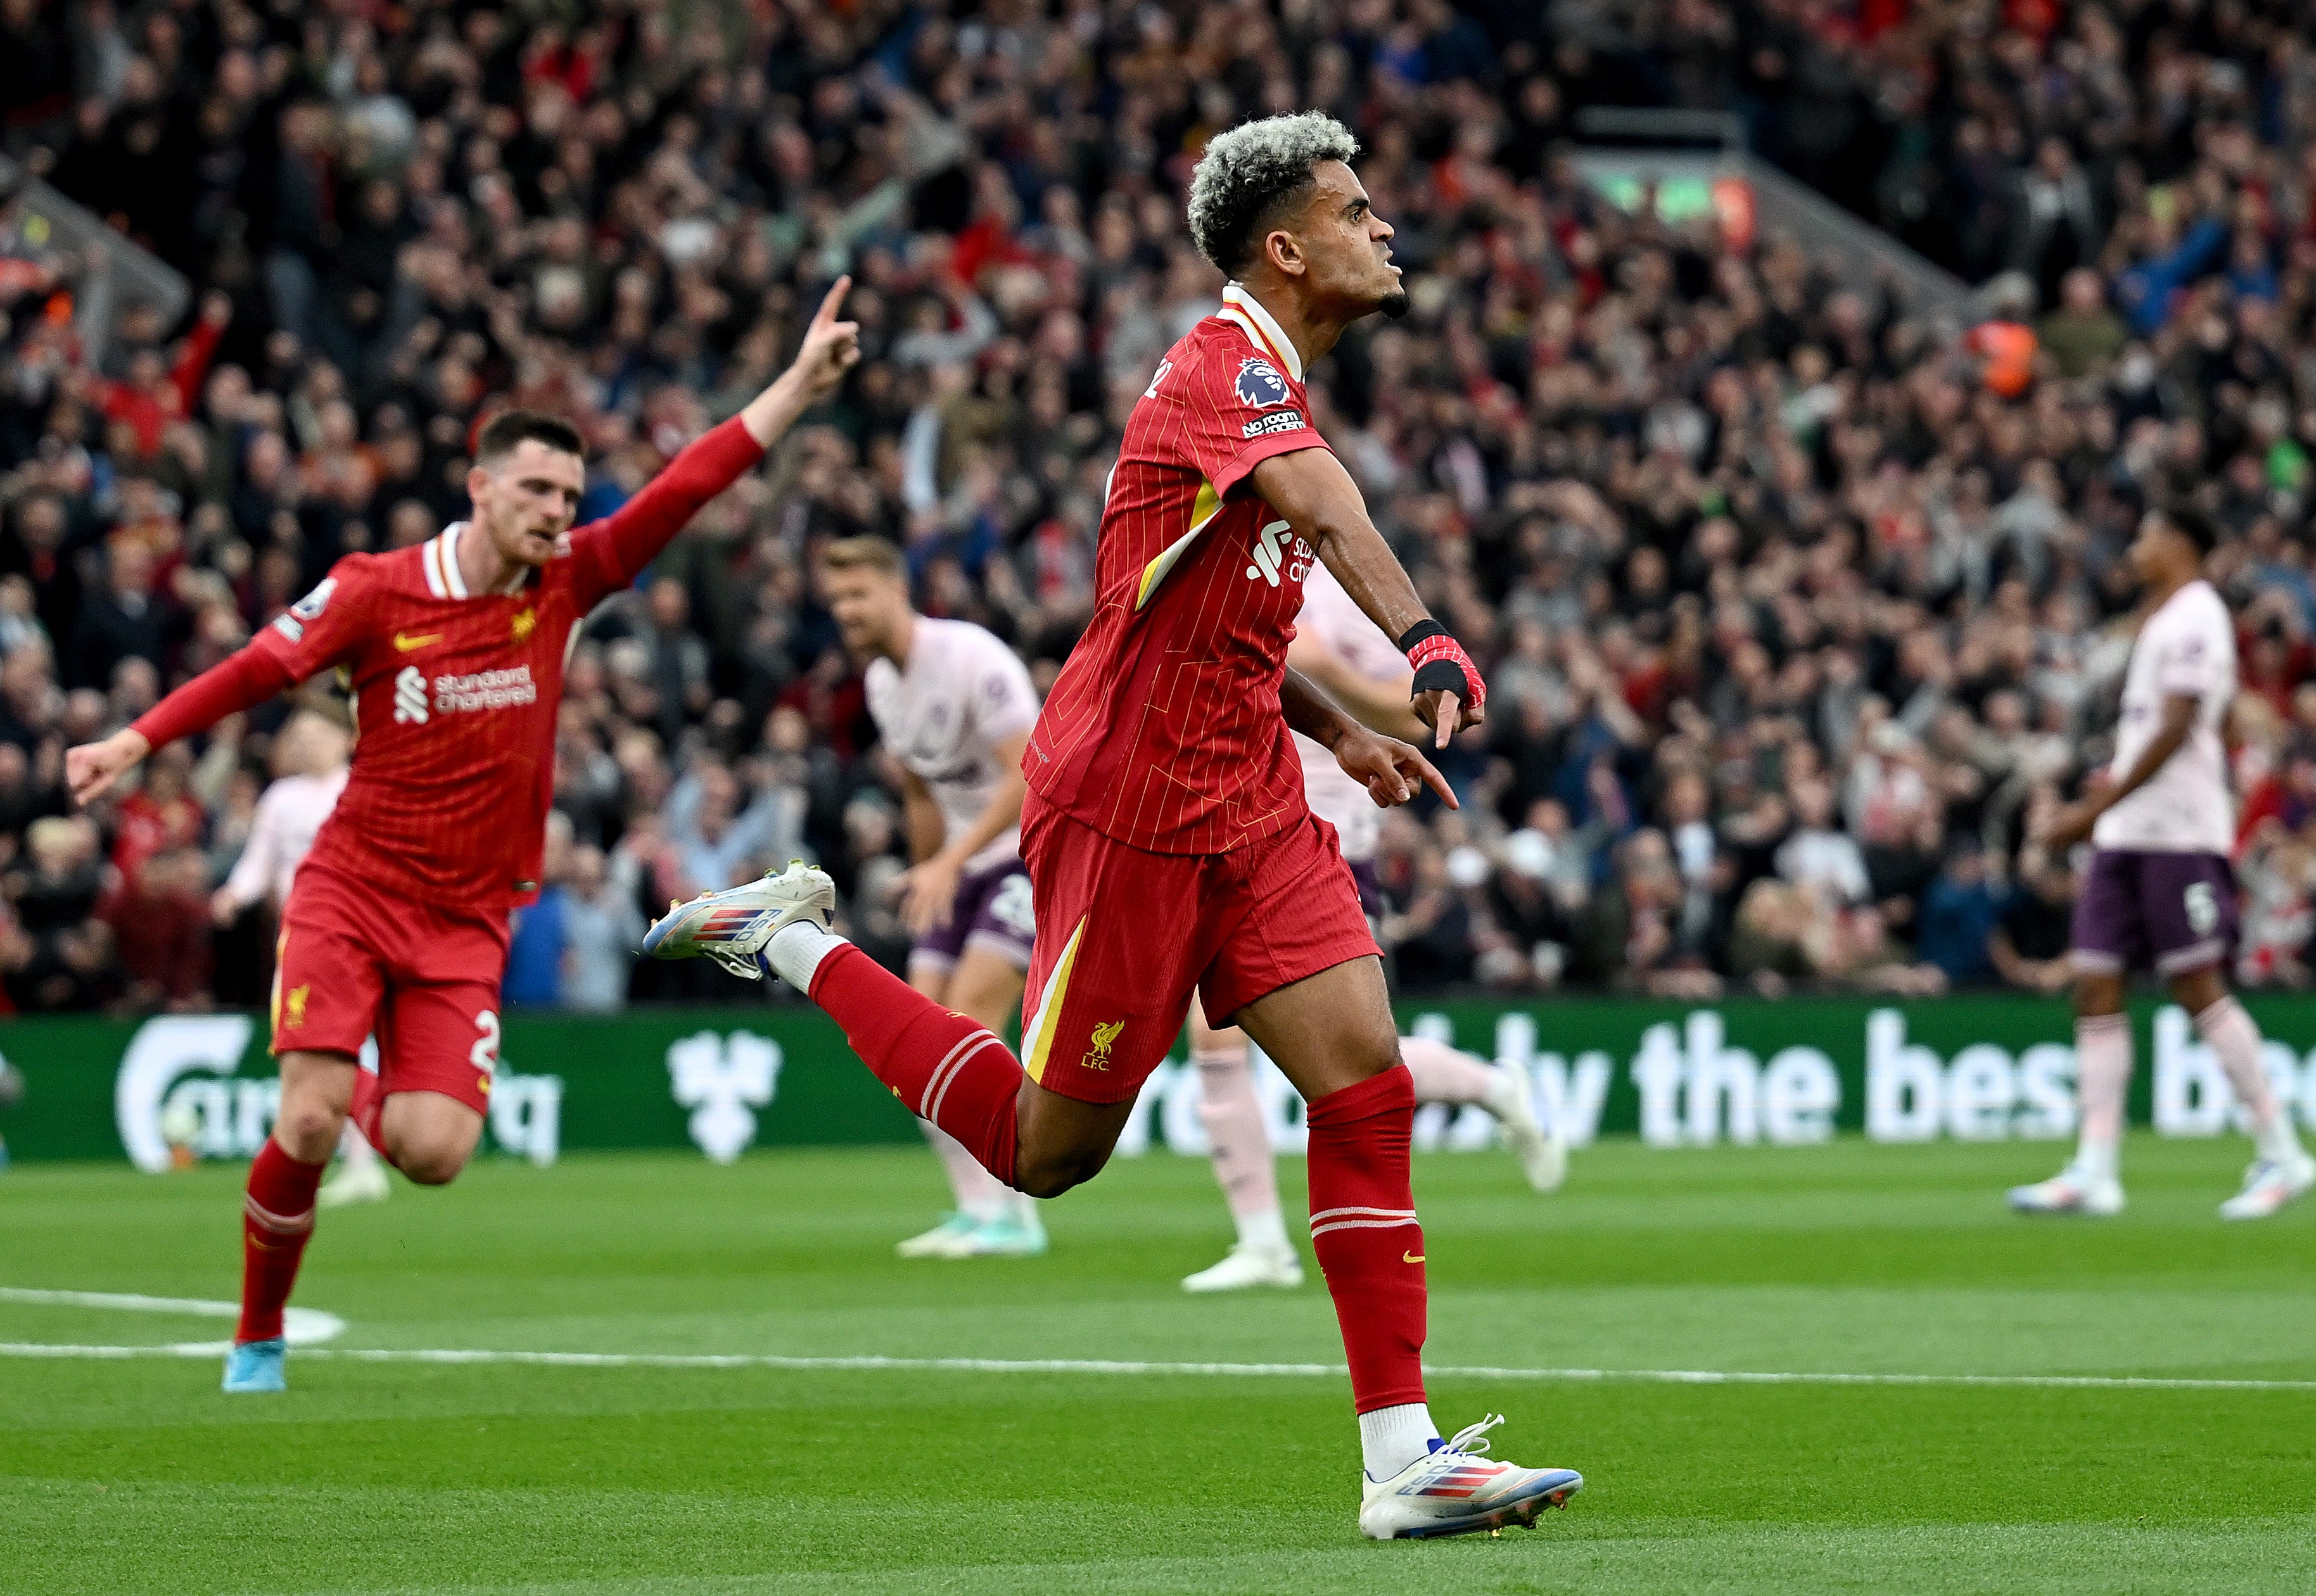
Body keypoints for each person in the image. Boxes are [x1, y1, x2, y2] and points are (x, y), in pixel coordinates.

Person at [645, 114, 1581, 1540]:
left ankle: (1403, 1460)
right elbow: (1321, 511)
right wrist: (1425, 640)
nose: (1384, 229)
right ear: (1286, 248)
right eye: (1356, 210)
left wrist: (1347, 734)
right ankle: (788, 942)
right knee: (1045, 1155)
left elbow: (1230, 621)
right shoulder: (1222, 371)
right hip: (1128, 813)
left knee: (1366, 1086)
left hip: (1251, 803)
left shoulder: (1263, 388)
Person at [66, 281, 862, 1393]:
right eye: (535, 488)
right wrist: (135, 741)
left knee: (432, 1156)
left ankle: (388, 1060)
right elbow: (259, 665)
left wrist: (794, 387)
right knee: (308, 1122)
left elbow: (687, 487)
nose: (555, 508)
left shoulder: (568, 582)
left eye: (569, 492)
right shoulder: (377, 593)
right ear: (480, 488)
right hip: (352, 887)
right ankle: (257, 1334)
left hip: (466, 918)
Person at [1181, 561, 1563, 1295]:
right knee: (1217, 1035)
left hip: (1328, 833)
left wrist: (1325, 684)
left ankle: (1488, 1087)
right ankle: (1260, 1240)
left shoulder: (1345, 598)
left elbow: (1416, 713)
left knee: (1346, 1050)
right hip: (1235, 825)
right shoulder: (1237, 578)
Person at [2010, 505, 2315, 1220]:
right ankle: (2093, 1168)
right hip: (2125, 833)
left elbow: (2179, 727)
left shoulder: (2197, 616)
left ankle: (2281, 1151)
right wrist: (2100, 810)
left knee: (2196, 988)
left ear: (2182, 543)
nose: (2137, 547)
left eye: (2148, 535)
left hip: (2176, 835)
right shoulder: (2161, 616)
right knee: (2092, 986)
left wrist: (2087, 812)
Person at [820, 534, 1048, 1260]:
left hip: (1024, 853)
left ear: (896, 590)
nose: (846, 612)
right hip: (957, 866)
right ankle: (977, 1208)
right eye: (836, 601)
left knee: (973, 1016)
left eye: (858, 595)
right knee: (915, 1044)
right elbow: (920, 789)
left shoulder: (969, 658)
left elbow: (1029, 769)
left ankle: (1017, 1215)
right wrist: (928, 875)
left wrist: (950, 859)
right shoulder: (882, 687)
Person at [207, 702, 385, 1207]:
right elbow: (258, 864)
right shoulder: (280, 799)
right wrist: (232, 896)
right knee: (303, 1047)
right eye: (297, 733)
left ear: (344, 738)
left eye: (315, 732)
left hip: (359, 932)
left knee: (339, 1044)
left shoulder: (360, 787)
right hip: (300, 938)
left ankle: (358, 1156)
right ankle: (334, 1158)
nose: (305, 742)